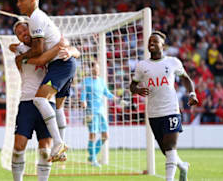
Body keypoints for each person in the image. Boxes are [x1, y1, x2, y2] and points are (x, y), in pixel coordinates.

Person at [9, 20, 80, 181]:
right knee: (19, 147)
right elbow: (41, 60)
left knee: (45, 150)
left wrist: (69, 51)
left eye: (25, 30)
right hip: (27, 102)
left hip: (47, 103)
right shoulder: (19, 52)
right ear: (17, 38)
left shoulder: (45, 45)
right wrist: (59, 46)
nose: (23, 34)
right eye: (19, 33)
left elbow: (74, 50)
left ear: (33, 30)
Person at [16, 0, 78, 161]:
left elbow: (38, 50)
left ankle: (59, 143)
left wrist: (22, 56)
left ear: (33, 0)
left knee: (40, 99)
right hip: (65, 64)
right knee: (58, 107)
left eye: (21, 0)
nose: (18, 3)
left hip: (60, 64)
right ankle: (61, 150)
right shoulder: (39, 17)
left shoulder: (35, 18)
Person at [130, 31, 198, 181]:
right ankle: (182, 166)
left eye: (155, 41)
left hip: (171, 110)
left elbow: (186, 79)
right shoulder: (142, 65)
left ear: (163, 45)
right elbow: (132, 85)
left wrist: (192, 94)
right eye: (149, 41)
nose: (151, 43)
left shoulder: (173, 62)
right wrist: (137, 90)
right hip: (154, 112)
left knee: (171, 147)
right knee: (166, 151)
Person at [80, 60, 127, 167]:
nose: (96, 70)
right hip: (91, 112)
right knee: (92, 135)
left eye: (97, 68)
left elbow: (107, 93)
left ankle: (92, 155)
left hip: (101, 112)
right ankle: (94, 160)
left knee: (105, 136)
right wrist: (83, 102)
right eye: (94, 68)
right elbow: (83, 94)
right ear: (90, 70)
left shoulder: (101, 81)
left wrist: (118, 100)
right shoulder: (86, 81)